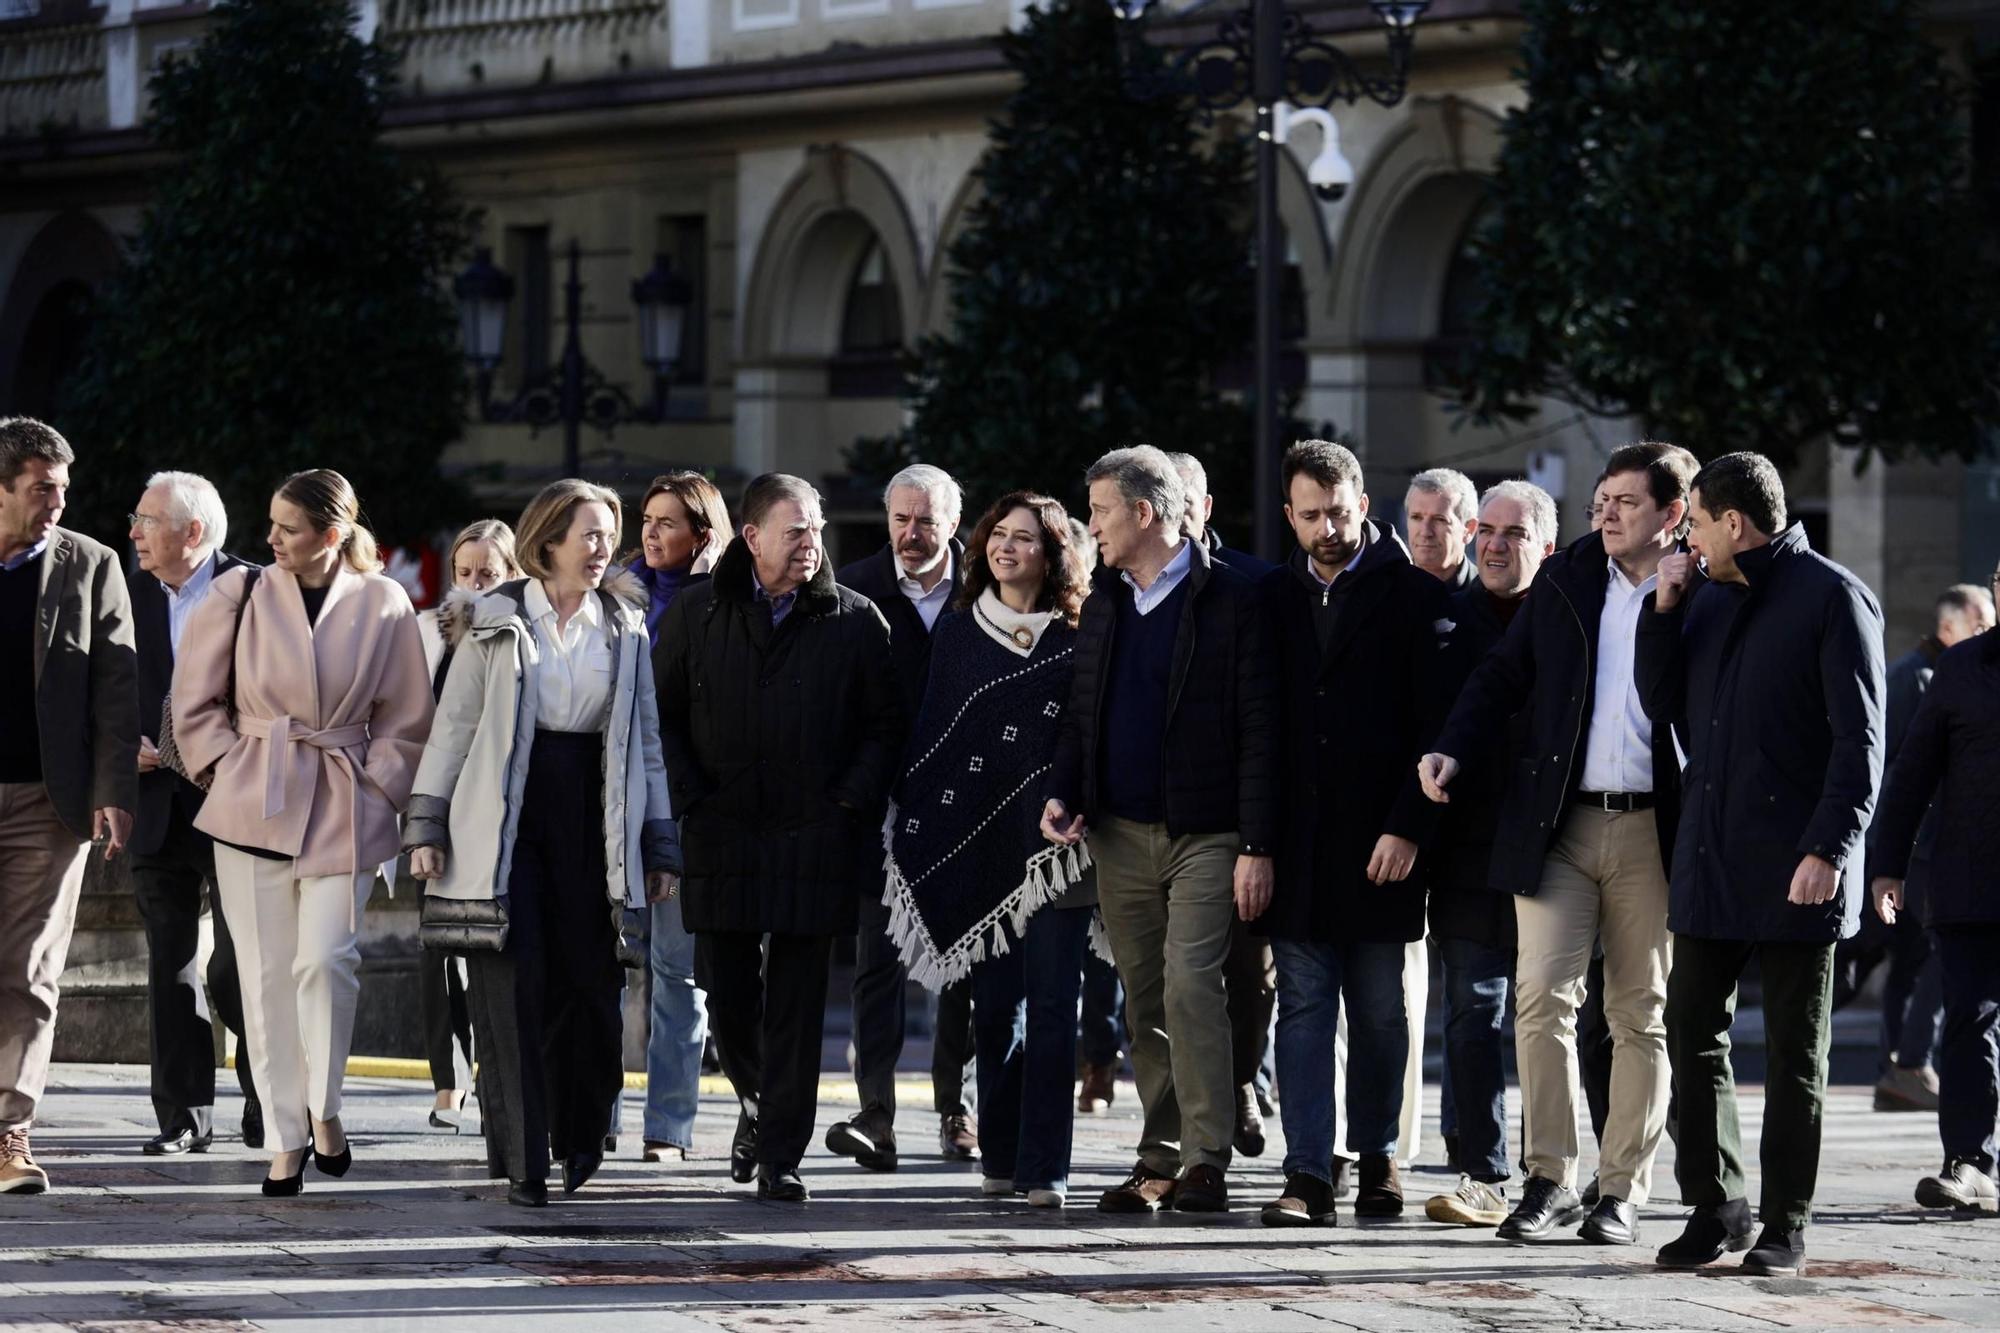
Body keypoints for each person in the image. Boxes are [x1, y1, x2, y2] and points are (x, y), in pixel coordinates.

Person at [1418, 441, 1697, 1247]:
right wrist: (1453, 747)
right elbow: (1501, 675)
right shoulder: (1569, 578)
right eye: (1599, 502)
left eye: (1625, 504)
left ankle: (1622, 1190)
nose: (1606, 515)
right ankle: (1548, 1177)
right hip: (1560, 821)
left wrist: (1675, 609)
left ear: (1672, 514)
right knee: (1541, 999)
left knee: (1639, 1011)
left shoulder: (1705, 586)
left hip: (1655, 826)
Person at [1638, 451, 1885, 1276]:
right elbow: (1661, 703)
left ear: (1734, 523)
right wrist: (1665, 609)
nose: (1686, 536)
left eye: (1695, 521)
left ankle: (1785, 1222)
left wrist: (1829, 847)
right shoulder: (1701, 596)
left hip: (1797, 865)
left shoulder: (1833, 597)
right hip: (1709, 855)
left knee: (1792, 1052)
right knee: (1689, 1031)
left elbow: (1862, 745)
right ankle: (1718, 1204)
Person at [407, 481, 676, 1208]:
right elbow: (455, 726)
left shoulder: (626, 625)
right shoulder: (493, 621)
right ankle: (525, 1159)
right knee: (514, 979)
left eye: (606, 536)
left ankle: (582, 1137)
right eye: (588, 534)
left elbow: (645, 742)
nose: (601, 550)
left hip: (595, 815)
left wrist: (659, 843)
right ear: (548, 538)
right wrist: (427, 825)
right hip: (507, 819)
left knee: (591, 983)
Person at [173, 468, 433, 1197]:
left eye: (288, 527)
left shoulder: (384, 601)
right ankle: (286, 1136)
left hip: (344, 800)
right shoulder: (240, 592)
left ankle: (327, 1106)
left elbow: (409, 718)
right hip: (255, 796)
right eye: (271, 525)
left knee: (326, 961)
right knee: (262, 979)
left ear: (332, 533)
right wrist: (229, 766)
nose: (272, 539)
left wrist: (379, 782)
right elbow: (193, 698)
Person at [1041, 445, 1278, 1216]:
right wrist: (1064, 791)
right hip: (1118, 830)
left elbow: (1259, 727)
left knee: (1189, 984)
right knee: (1143, 998)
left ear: (1144, 513)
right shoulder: (1106, 595)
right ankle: (1159, 1155)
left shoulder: (1237, 597)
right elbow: (1085, 708)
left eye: (1101, 511)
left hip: (1208, 833)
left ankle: (1206, 1159)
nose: (1092, 526)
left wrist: (1256, 841)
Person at [655, 473, 901, 1202]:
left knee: (797, 1000)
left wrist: (848, 798)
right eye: (795, 530)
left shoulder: (856, 619)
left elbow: (886, 727)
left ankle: (780, 1153)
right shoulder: (697, 612)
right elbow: (659, 716)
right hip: (721, 828)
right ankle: (759, 1101)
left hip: (813, 832)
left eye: (816, 529)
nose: (810, 543)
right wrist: (691, 792)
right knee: (727, 993)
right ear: (752, 535)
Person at [1255, 440, 1452, 1226]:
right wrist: (1255, 844)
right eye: (1311, 515)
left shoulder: (1413, 595)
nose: (1327, 527)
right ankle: (1306, 1172)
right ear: (1289, 517)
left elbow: (1436, 730)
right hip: (1299, 846)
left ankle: (1378, 1161)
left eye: (1339, 511)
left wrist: (1409, 828)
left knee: (1379, 1014)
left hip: (1384, 846)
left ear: (1363, 504)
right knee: (1302, 1011)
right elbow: (1258, 730)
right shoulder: (1269, 598)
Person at [883, 491, 1094, 1206]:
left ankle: (1047, 1168)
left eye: (1024, 538)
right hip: (978, 843)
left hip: (1059, 849)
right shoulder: (959, 631)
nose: (1006, 547)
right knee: (998, 1013)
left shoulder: (1078, 633)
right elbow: (938, 739)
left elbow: (1082, 731)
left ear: (1053, 552)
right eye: (997, 535)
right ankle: (1000, 1156)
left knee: (1055, 1006)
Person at [0, 419, 138, 1196]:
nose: (57, 502)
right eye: (42, 488)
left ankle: (7, 1134)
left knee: (29, 970)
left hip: (46, 803)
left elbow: (117, 689)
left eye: (63, 489)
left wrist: (114, 791)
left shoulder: (92, 565)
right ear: (3, 487)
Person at [827, 463, 977, 1170]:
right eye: (900, 520)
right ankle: (876, 1113)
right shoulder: (853, 590)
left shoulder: (985, 588)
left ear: (954, 522)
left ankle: (958, 1108)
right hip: (879, 809)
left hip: (965, 806)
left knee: (962, 966)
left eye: (925, 521)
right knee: (877, 966)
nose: (911, 534)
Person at [1422, 480, 1557, 1227]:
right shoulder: (1446, 615)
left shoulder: (1569, 617)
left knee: (1547, 1017)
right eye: (1488, 530)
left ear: (1545, 544)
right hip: (1469, 852)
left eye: (1515, 532)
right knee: (1473, 1013)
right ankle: (1483, 1171)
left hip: (1552, 851)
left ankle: (1552, 1169)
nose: (1496, 543)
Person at [126, 470, 260, 1155]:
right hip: (154, 803)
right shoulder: (122, 591)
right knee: (169, 961)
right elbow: (97, 685)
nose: (135, 532)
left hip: (237, 800)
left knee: (240, 965)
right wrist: (123, 751)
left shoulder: (257, 589)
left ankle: (268, 1096)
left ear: (193, 532)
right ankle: (183, 1115)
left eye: (147, 520)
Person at [1870, 562, 2000, 1214]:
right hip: (1969, 877)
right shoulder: (1961, 668)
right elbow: (1913, 768)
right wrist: (1886, 863)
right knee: (1969, 1019)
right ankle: (1970, 1161)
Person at [1166, 451, 1275, 1156]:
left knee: (1250, 971)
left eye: (1188, 500)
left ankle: (1238, 1081)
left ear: (1205, 508)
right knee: (1178, 978)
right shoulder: (1121, 590)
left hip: (1238, 818)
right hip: (1154, 824)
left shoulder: (1252, 587)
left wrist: (1260, 834)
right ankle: (1189, 1117)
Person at [628, 472, 730, 1165]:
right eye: (647, 519)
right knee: (605, 962)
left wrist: (705, 587)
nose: (652, 532)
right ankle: (593, 1114)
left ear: (703, 533)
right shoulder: (617, 598)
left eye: (669, 521)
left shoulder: (721, 604)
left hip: (684, 807)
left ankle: (668, 1123)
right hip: (615, 801)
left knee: (675, 971)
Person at [411, 520, 521, 1133]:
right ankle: (447, 1082)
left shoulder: (515, 631)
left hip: (495, 807)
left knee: (488, 945)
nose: (474, 584)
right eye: (464, 572)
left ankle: (489, 1075)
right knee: (437, 947)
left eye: (489, 573)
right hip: (436, 805)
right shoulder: (429, 633)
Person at [1406, 467, 1480, 589]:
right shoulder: (1383, 593)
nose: (1425, 532)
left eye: (1439, 519)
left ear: (1469, 529)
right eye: (1416, 517)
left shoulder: (1492, 598)